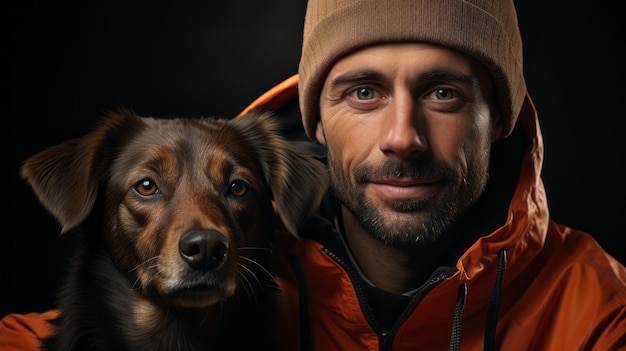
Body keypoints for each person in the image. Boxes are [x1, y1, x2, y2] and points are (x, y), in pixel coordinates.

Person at [2, 0, 625, 350]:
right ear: (317, 120)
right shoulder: (247, 282)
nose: (402, 136)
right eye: (363, 93)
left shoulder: (598, 308)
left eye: (442, 93)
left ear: (500, 121)